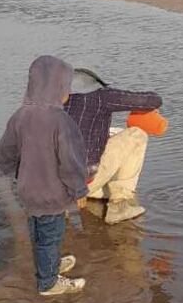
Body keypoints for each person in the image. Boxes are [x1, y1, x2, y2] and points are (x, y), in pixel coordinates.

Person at [0, 55, 88, 297]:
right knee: (51, 234)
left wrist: (2, 169)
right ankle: (48, 283)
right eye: (66, 87)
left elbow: (6, 151)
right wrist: (79, 190)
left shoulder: (20, 115)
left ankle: (50, 263)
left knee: (39, 231)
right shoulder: (61, 121)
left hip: (27, 191)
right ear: (59, 89)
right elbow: (71, 161)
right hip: (52, 193)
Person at [65, 74, 162, 224]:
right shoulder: (100, 96)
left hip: (51, 186)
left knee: (112, 133)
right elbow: (153, 100)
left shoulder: (51, 101)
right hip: (81, 183)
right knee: (137, 135)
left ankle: (86, 194)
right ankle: (120, 205)